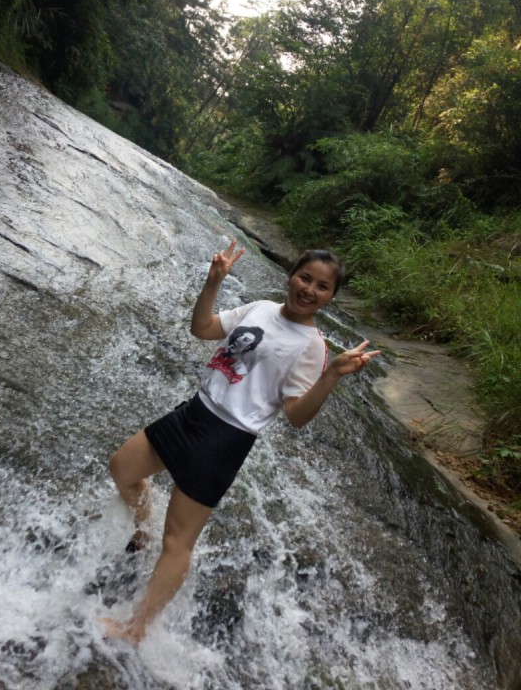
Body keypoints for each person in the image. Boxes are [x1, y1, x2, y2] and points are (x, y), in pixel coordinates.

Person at [101, 240, 381, 643]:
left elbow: (297, 416)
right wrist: (213, 282)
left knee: (177, 542)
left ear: (331, 297)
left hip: (225, 439)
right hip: (194, 411)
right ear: (291, 275)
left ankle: (136, 628)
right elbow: (202, 329)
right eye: (305, 278)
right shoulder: (261, 308)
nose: (309, 289)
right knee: (122, 467)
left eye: (322, 286)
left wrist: (331, 375)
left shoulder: (312, 346)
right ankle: (142, 529)